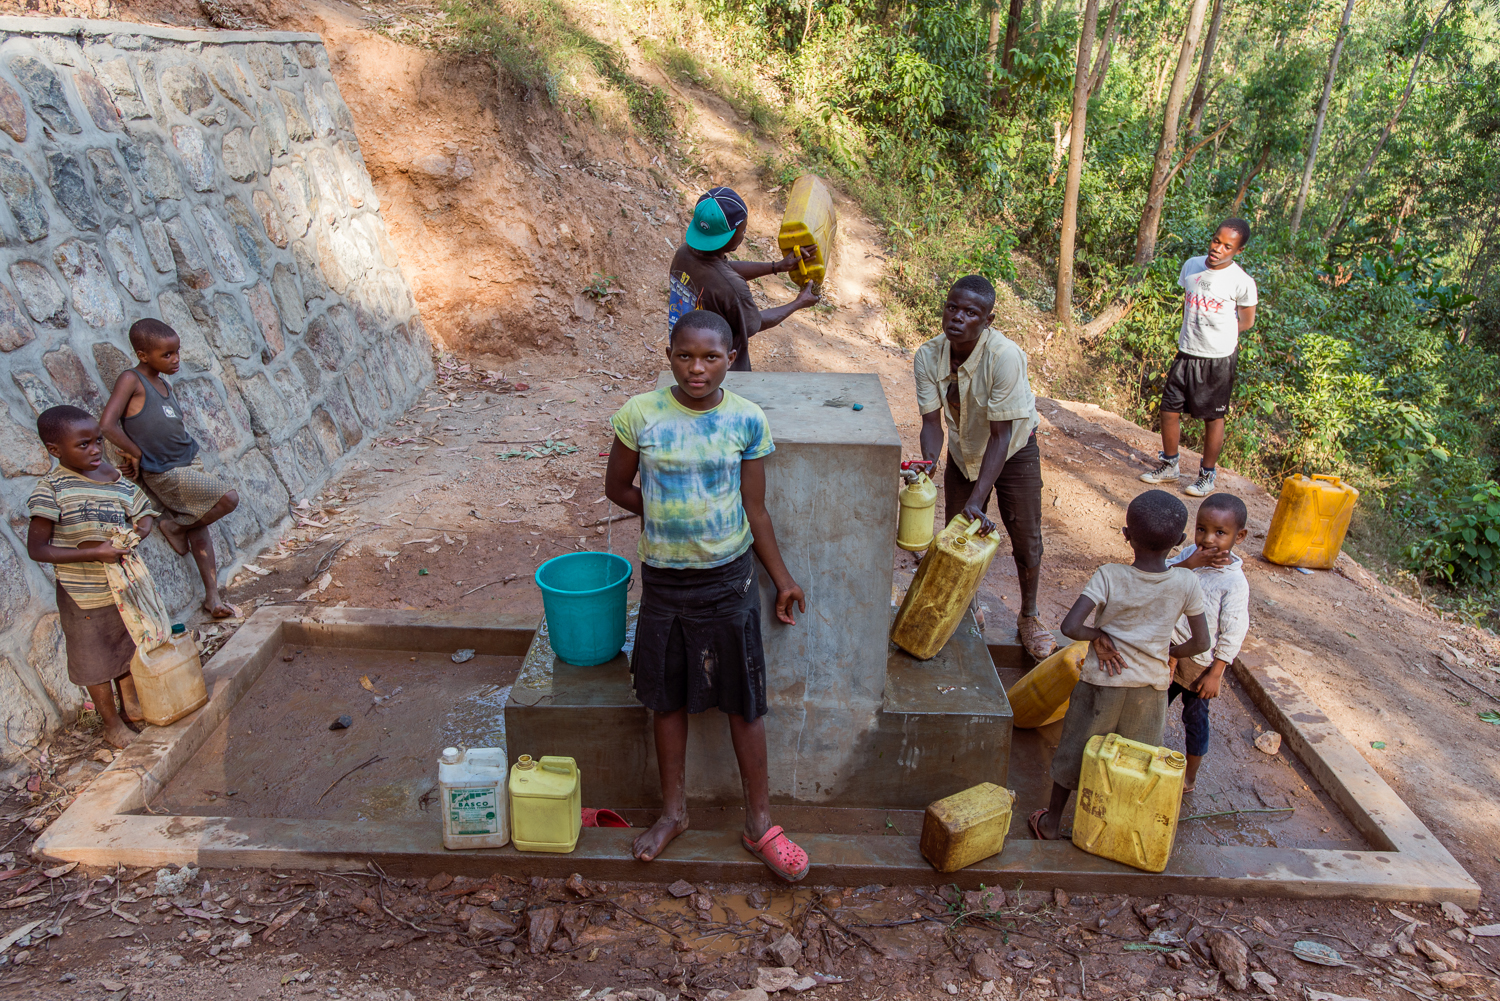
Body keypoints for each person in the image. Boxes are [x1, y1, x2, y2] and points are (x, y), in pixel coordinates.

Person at [605, 309, 809, 880]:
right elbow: (618, 487)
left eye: (711, 357)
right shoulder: (640, 415)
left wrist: (783, 579)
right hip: (666, 585)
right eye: (685, 356)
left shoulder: (747, 420)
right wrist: (669, 513)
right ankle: (674, 814)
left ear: (732, 358)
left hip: (730, 582)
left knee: (745, 703)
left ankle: (759, 822)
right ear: (670, 356)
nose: (697, 369)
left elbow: (756, 508)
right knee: (665, 701)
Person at [1030, 489, 1210, 841]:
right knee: (1134, 761)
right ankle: (1113, 833)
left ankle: (1051, 823)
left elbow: (1069, 627)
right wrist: (1171, 652)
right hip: (1151, 688)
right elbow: (1202, 642)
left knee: (1077, 749)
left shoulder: (1110, 575)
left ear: (1127, 536)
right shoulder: (1187, 582)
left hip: (1102, 683)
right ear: (1180, 541)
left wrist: (1097, 633)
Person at [914, 274, 1056, 661]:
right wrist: (927, 464)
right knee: (957, 536)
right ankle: (967, 607)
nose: (957, 317)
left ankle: (1029, 616)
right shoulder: (929, 355)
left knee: (1026, 539)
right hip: (965, 451)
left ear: (988, 320)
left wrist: (975, 501)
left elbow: (1001, 436)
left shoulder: (1004, 356)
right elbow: (932, 424)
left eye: (970, 312)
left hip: (1013, 450)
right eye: (952, 307)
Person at [26, 406, 160, 749]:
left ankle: (131, 708)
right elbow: (38, 549)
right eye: (83, 445)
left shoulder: (112, 477)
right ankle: (111, 723)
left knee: (126, 646)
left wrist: (140, 528)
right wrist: (93, 553)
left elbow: (141, 509)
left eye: (97, 441)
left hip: (121, 584)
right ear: (55, 450)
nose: (95, 450)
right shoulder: (52, 489)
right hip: (81, 593)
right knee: (94, 659)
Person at [100, 318, 240, 619]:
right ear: (142, 354)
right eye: (167, 355)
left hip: (188, 461)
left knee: (199, 522)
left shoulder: (163, 384)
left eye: (177, 352)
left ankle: (212, 598)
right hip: (164, 471)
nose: (175, 359)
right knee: (228, 499)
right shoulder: (131, 380)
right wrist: (135, 452)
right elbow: (107, 424)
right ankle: (174, 526)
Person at [1140, 218, 1258, 498]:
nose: (1218, 248)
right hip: (1186, 351)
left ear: (1238, 251)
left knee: (1212, 419)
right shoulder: (1192, 267)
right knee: (1168, 410)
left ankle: (1207, 475)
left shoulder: (1242, 282)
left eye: (1228, 246)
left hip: (1218, 359)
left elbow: (1247, 321)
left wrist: (1220, 336)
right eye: (1216, 240)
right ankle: (1169, 465)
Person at [667, 186, 821, 371]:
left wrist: (777, 267)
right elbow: (754, 323)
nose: (744, 234)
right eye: (743, 230)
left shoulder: (684, 254)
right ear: (728, 237)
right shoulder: (731, 287)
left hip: (686, 358)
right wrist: (798, 302)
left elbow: (723, 271)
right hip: (718, 372)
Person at [1165, 492, 1250, 792]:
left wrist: (1216, 673)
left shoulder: (1234, 583)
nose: (1208, 539)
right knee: (1153, 703)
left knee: (1195, 719)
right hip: (1169, 649)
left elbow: (1233, 632)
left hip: (1199, 666)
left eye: (1220, 533)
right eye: (1202, 529)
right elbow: (1161, 572)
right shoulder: (1191, 556)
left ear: (1239, 536)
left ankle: (1189, 776)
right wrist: (1189, 563)